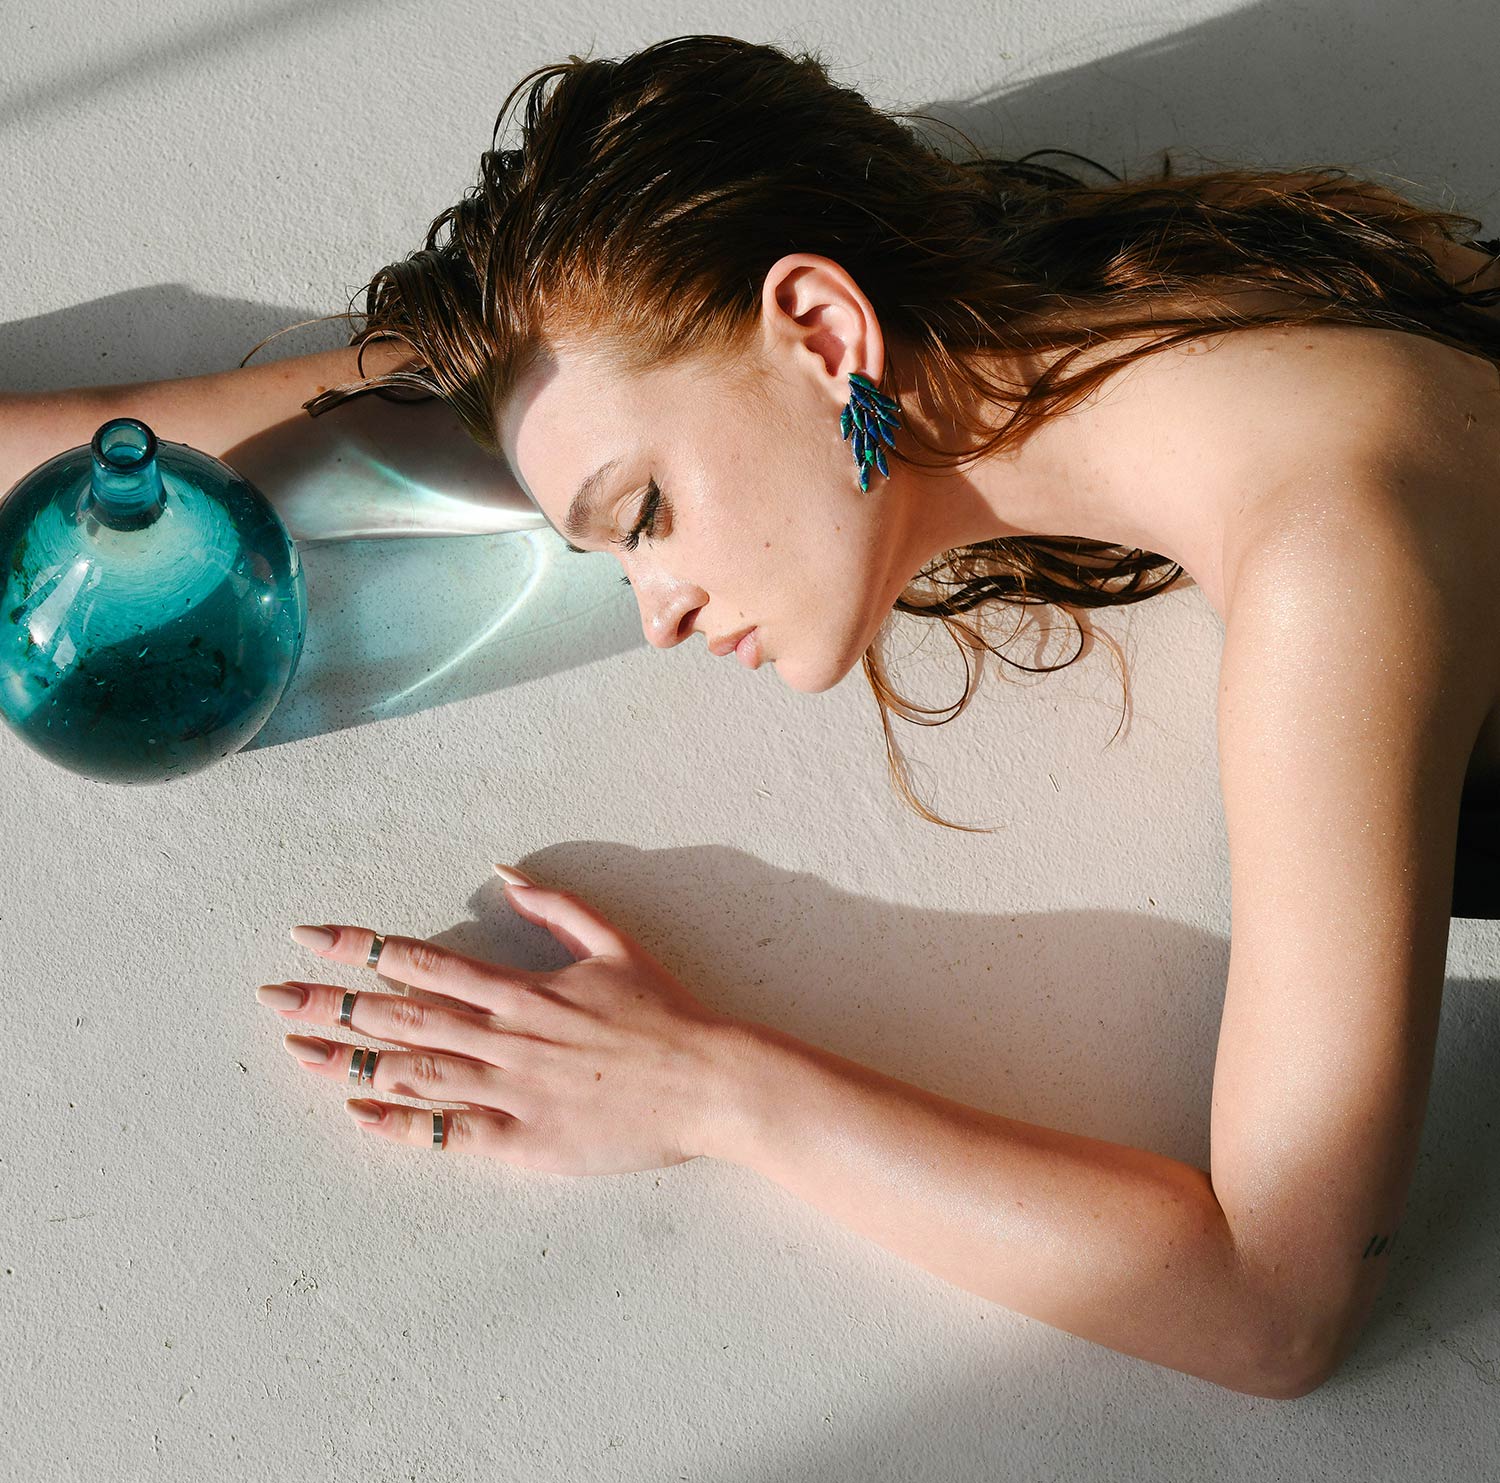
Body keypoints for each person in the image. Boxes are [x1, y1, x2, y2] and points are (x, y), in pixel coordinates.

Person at [6, 33, 1500, 1401]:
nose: (654, 611)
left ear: (823, 330)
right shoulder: (1056, 321)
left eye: (647, 516)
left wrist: (709, 1090)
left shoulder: (1335, 570)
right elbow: (452, 401)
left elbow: (1271, 1306)